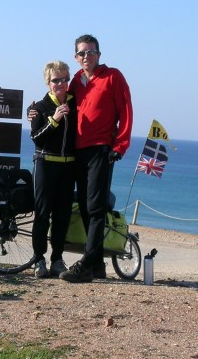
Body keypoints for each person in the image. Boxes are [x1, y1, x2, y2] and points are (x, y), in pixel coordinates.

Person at [59, 34, 133, 283]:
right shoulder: (76, 82)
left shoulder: (113, 76)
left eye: (91, 52)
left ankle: (87, 264)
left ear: (99, 54)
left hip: (102, 149)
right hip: (78, 151)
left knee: (97, 207)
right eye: (82, 53)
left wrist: (120, 145)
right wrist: (35, 112)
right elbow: (61, 105)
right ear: (76, 57)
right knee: (87, 207)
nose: (86, 57)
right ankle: (98, 264)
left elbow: (126, 112)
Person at [29, 60, 77, 278]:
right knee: (42, 214)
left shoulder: (76, 103)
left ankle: (57, 259)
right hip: (45, 164)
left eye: (65, 79)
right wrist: (55, 120)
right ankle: (38, 259)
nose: (61, 83)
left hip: (68, 167)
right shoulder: (39, 108)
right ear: (48, 82)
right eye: (56, 80)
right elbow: (36, 138)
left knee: (62, 216)